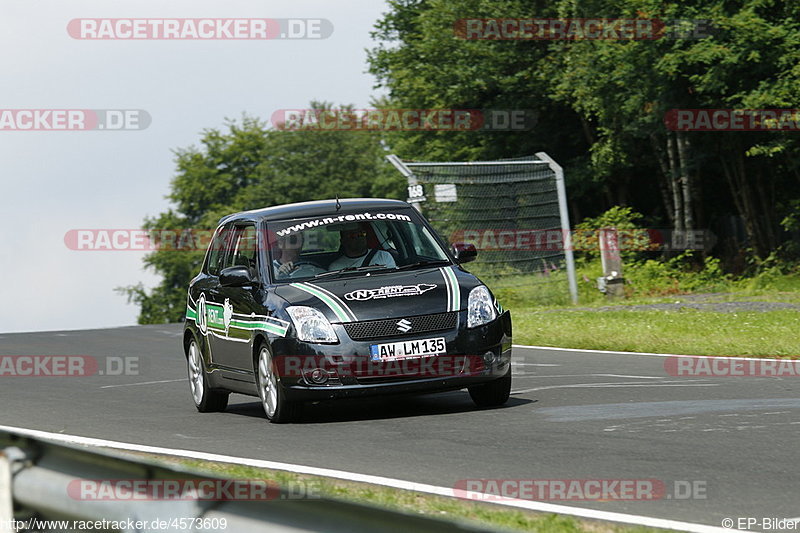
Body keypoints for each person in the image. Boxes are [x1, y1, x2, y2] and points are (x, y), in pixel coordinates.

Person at [328, 223, 396, 271]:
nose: (358, 238)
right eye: (352, 235)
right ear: (343, 241)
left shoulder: (384, 256)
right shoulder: (336, 267)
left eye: (361, 234)